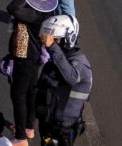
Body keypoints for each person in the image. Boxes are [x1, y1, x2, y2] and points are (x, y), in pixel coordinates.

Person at [6, 0, 58, 143]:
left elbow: (12, 8)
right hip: (35, 58)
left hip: (26, 58)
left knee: (18, 95)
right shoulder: (48, 13)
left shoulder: (33, 15)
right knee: (30, 92)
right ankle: (28, 127)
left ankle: (20, 137)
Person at [36, 15, 92, 146]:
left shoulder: (80, 63)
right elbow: (40, 88)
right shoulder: (55, 61)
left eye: (56, 40)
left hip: (64, 131)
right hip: (49, 124)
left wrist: (53, 48)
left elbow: (71, 77)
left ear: (69, 38)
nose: (50, 43)